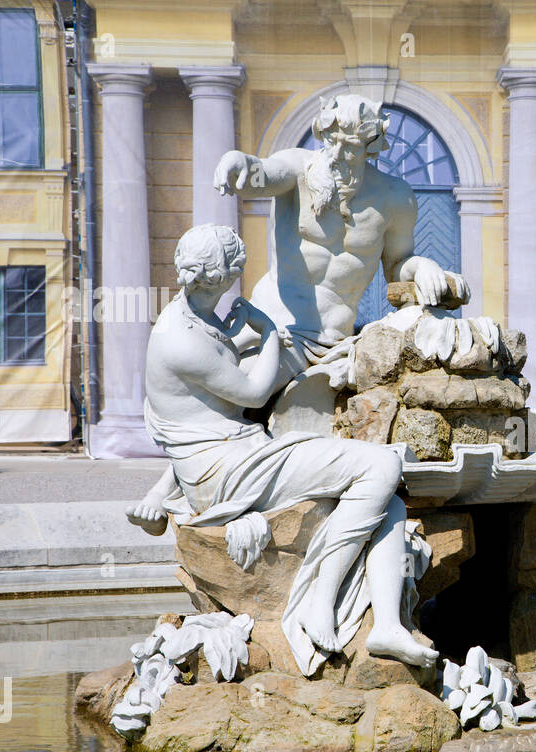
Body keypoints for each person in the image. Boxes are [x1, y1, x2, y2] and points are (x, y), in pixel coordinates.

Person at [124, 224, 436, 676]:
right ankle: (320, 600)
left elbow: (200, 405)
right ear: (222, 276)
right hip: (226, 472)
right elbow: (252, 393)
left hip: (238, 455)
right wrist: (268, 331)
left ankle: (387, 625)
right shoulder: (181, 339)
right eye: (234, 272)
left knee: (387, 505)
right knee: (382, 463)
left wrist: (244, 338)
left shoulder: (195, 317)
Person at [212, 94, 467, 382]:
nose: (335, 154)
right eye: (331, 141)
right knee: (231, 385)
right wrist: (237, 162)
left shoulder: (394, 197)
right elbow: (264, 173)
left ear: (370, 149)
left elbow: (397, 265)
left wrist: (421, 267)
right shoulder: (298, 170)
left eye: (350, 147)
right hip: (273, 323)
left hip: (333, 338)